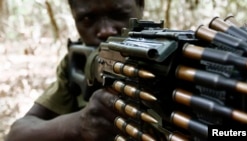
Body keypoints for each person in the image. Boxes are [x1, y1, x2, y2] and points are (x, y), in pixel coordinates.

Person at [5, 0, 144, 141]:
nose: (106, 30)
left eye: (119, 15)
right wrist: (78, 124)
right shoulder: (79, 61)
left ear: (141, 6)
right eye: (88, 19)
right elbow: (17, 134)